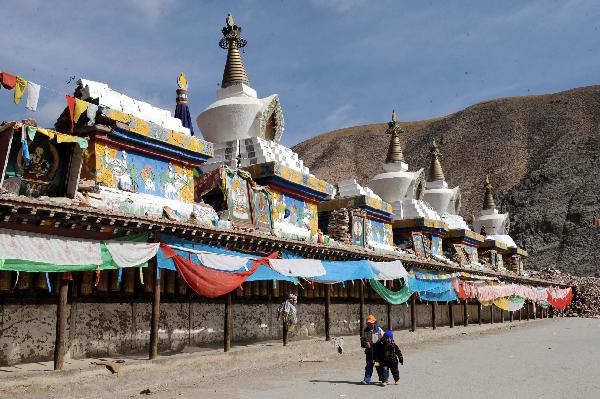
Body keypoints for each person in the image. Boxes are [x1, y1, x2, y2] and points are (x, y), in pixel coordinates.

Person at [360, 314, 384, 384]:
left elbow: (385, 339)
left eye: (371, 323)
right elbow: (362, 342)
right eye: (368, 323)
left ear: (374, 323)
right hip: (369, 352)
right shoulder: (365, 331)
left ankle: (383, 378)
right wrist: (365, 343)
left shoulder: (379, 329)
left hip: (377, 352)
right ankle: (367, 380)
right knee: (369, 365)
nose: (369, 324)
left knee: (378, 365)